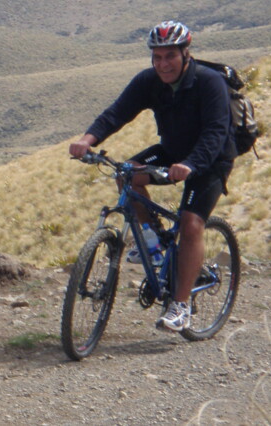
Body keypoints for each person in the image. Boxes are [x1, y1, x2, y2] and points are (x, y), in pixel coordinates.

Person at [68, 20, 235, 332]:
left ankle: (180, 306)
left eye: (170, 56)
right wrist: (87, 141)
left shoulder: (209, 83)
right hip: (171, 151)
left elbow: (215, 133)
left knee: (190, 223)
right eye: (156, 57)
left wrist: (191, 165)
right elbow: (116, 114)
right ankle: (152, 242)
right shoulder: (149, 81)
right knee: (128, 174)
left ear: (186, 54)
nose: (162, 64)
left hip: (211, 159)